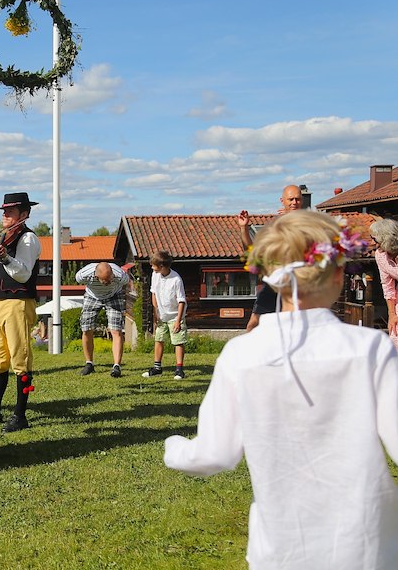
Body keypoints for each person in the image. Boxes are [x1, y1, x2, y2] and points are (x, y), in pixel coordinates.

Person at [164, 211, 397, 568]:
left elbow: (215, 454)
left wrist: (174, 447)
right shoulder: (371, 348)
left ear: (270, 279)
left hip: (282, 547)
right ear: (337, 273)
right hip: (366, 544)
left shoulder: (241, 354)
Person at [0, 192, 41, 433]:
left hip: (18, 302)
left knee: (19, 358)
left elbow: (23, 273)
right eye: (4, 211)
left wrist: (4, 258)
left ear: (24, 214)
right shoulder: (4, 237)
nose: (5, 215)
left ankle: (20, 415)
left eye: (10, 211)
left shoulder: (27, 239)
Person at [238, 184, 304, 332]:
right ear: (283, 201)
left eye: (297, 199)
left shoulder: (308, 223)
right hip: (274, 283)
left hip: (298, 285)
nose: (294, 202)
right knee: (253, 325)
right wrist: (244, 228)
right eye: (291, 199)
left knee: (293, 328)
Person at [76, 262, 129, 378]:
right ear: (96, 276)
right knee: (86, 329)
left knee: (116, 330)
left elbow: (126, 281)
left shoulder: (120, 275)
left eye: (110, 279)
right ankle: (89, 364)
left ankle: (116, 366)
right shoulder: (83, 275)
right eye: (105, 281)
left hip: (114, 295)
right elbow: (78, 279)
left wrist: (112, 283)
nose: (108, 283)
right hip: (92, 296)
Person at [143, 250, 187, 379]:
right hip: (162, 315)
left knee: (178, 341)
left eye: (153, 265)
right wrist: (156, 313)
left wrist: (178, 321)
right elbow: (154, 293)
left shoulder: (176, 279)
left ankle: (179, 369)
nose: (151, 267)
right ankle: (157, 367)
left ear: (161, 266)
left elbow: (181, 301)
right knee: (159, 339)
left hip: (175, 315)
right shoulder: (155, 275)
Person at [371, 218, 398, 349]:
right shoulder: (380, 255)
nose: (372, 242)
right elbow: (387, 286)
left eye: (374, 239)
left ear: (386, 239)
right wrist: (392, 314)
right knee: (395, 334)